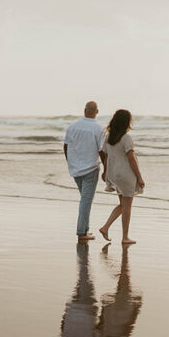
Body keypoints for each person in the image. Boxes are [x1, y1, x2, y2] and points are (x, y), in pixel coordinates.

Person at [98, 109, 145, 245]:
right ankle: (125, 237)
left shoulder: (108, 137)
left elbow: (106, 157)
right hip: (126, 174)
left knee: (122, 205)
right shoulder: (126, 138)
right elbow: (131, 159)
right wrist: (140, 177)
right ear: (126, 122)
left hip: (114, 174)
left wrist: (105, 172)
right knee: (127, 206)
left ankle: (105, 227)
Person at [63, 101, 103, 242]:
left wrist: (70, 163)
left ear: (85, 110)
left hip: (76, 169)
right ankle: (81, 232)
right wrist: (106, 168)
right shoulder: (98, 128)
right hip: (91, 168)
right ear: (96, 112)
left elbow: (66, 146)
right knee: (86, 200)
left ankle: (85, 229)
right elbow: (101, 150)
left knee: (85, 200)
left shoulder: (73, 127)